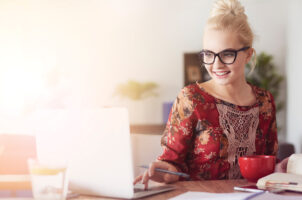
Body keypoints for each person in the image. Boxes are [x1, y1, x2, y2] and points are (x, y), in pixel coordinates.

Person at [134, 0, 288, 189]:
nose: (216, 65)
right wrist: (164, 172)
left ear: (248, 54)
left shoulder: (265, 101)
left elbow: (269, 162)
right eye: (209, 54)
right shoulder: (191, 99)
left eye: (227, 54)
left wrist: (282, 167)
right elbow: (171, 163)